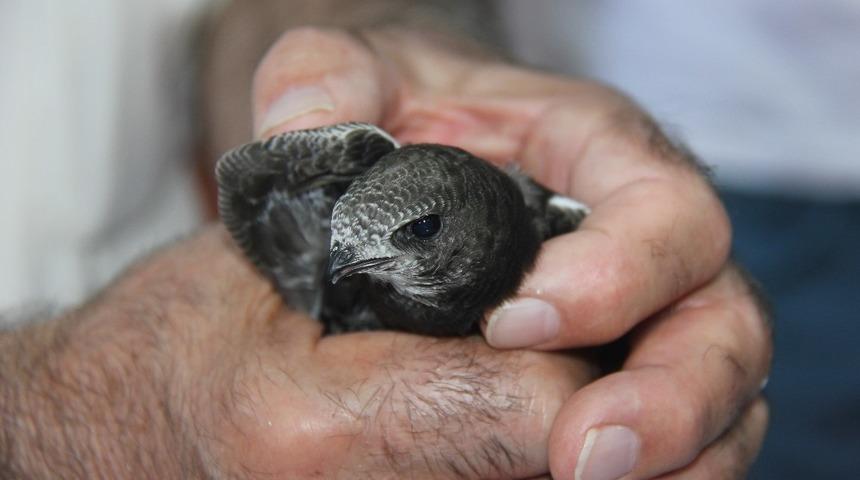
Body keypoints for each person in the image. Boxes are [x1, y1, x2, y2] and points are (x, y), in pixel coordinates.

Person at [1, 1, 771, 478]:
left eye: (415, 234)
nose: (349, 270)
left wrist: (392, 39)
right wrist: (91, 426)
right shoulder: (353, 269)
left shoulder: (542, 218)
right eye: (350, 249)